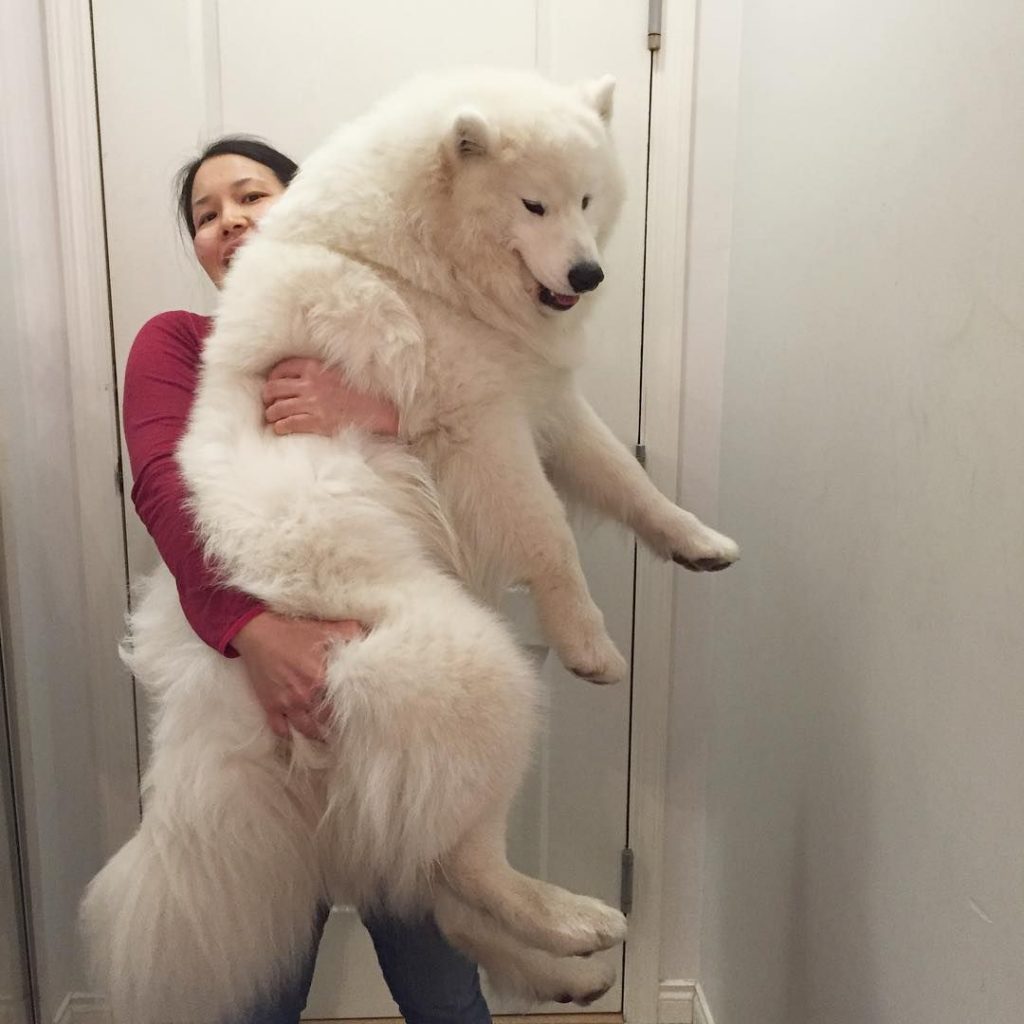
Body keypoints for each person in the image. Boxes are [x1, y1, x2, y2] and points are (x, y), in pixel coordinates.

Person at [122, 135, 492, 1024]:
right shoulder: (178, 344)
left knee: (441, 981)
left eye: (251, 195)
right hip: (248, 714)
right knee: (256, 989)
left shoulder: (386, 334)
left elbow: (504, 453)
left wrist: (371, 408)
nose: (229, 220)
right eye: (206, 215)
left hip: (395, 699)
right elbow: (163, 488)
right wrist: (255, 634)